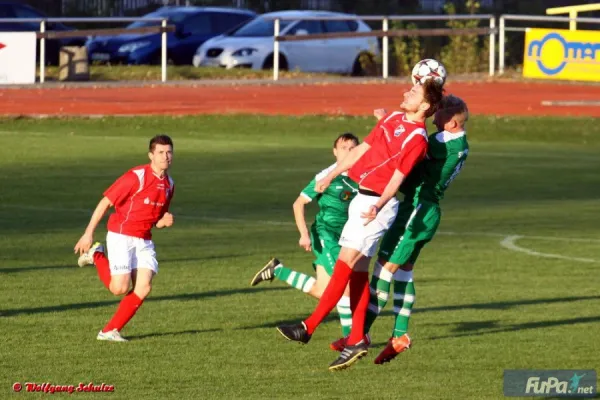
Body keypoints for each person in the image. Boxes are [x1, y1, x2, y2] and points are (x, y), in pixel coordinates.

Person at [277, 80, 444, 371]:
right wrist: (333, 174)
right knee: (356, 273)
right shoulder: (392, 118)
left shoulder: (417, 139)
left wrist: (378, 206)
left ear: (425, 106)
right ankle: (356, 339)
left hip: (374, 205)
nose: (406, 93)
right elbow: (361, 150)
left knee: (344, 264)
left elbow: (397, 178)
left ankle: (309, 326)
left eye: (414, 92)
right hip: (361, 198)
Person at [355, 95, 470, 364]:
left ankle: (361, 334)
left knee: (383, 269)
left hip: (417, 209)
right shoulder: (460, 142)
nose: (433, 117)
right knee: (404, 272)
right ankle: (400, 335)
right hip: (428, 212)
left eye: (438, 113)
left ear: (451, 122)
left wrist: (387, 121)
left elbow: (408, 149)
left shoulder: (439, 142)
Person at [250, 133, 360, 340]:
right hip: (326, 235)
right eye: (344, 148)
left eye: (353, 148)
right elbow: (298, 203)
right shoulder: (326, 176)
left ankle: (278, 270)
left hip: (348, 237)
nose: (349, 152)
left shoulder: (362, 174)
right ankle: (350, 340)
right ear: (335, 152)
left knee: (323, 291)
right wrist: (304, 235)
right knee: (344, 286)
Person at [74, 134, 176, 342]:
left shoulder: (169, 185)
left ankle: (110, 331)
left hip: (144, 240)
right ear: (151, 155)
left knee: (144, 287)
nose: (166, 156)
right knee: (119, 288)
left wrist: (161, 223)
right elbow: (105, 203)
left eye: (169, 152)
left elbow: (154, 218)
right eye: (161, 152)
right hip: (121, 235)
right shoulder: (136, 177)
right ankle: (97, 254)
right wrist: (88, 233)